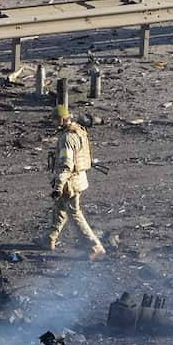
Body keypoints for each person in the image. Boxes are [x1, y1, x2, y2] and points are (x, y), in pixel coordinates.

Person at [47, 105, 105, 258]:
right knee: (59, 208)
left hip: (70, 182)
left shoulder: (67, 138)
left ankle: (95, 246)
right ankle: (49, 239)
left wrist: (58, 187)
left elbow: (66, 165)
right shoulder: (78, 130)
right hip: (77, 178)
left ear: (61, 119)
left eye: (55, 120)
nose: (54, 123)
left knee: (74, 213)